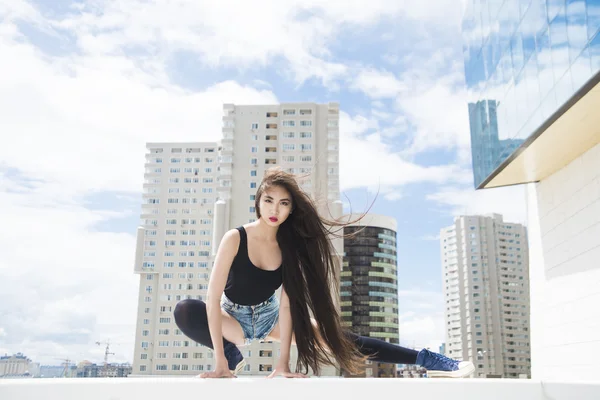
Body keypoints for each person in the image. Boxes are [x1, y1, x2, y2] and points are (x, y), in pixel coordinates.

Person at [174, 168, 474, 378]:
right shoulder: (235, 238)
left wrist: (283, 364)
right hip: (232, 320)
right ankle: (234, 353)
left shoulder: (289, 246)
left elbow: (289, 304)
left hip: (270, 318)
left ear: (291, 209)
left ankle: (429, 359)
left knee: (340, 339)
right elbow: (212, 299)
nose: (274, 209)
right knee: (186, 310)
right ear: (258, 203)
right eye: (268, 201)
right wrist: (221, 360)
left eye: (283, 203)